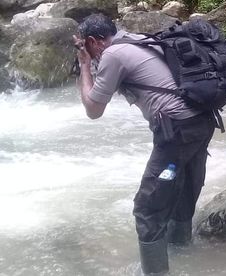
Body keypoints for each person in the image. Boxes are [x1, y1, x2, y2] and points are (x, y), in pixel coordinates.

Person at [73, 14, 215, 276]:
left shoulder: (113, 55)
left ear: (93, 41)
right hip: (201, 123)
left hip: (177, 133)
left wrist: (84, 66)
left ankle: (157, 272)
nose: (86, 52)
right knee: (181, 188)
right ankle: (184, 254)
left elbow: (93, 109)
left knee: (147, 209)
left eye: (85, 46)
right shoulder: (138, 40)